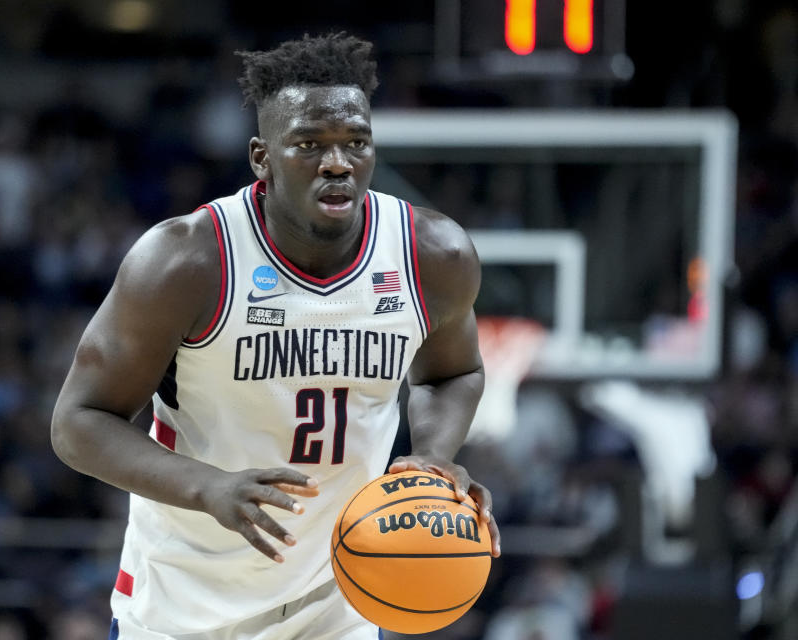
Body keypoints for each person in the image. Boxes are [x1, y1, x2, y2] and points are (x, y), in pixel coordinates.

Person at [51, 32, 500, 640]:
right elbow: (78, 422)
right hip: (182, 607)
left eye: (355, 143)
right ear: (263, 157)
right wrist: (208, 487)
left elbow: (455, 372)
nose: (337, 162)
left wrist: (430, 457)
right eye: (310, 144)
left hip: (336, 601)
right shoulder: (187, 262)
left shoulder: (431, 254)